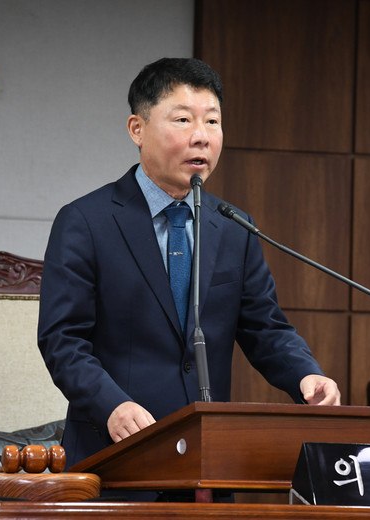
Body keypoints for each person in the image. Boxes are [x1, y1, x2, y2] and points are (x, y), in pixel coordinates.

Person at [37, 57, 341, 473]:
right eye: (183, 120)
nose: (201, 137)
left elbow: (265, 327)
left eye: (212, 122)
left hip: (208, 463)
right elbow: (63, 340)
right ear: (137, 129)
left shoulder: (233, 226)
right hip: (116, 457)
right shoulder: (86, 221)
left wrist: (305, 375)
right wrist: (112, 406)